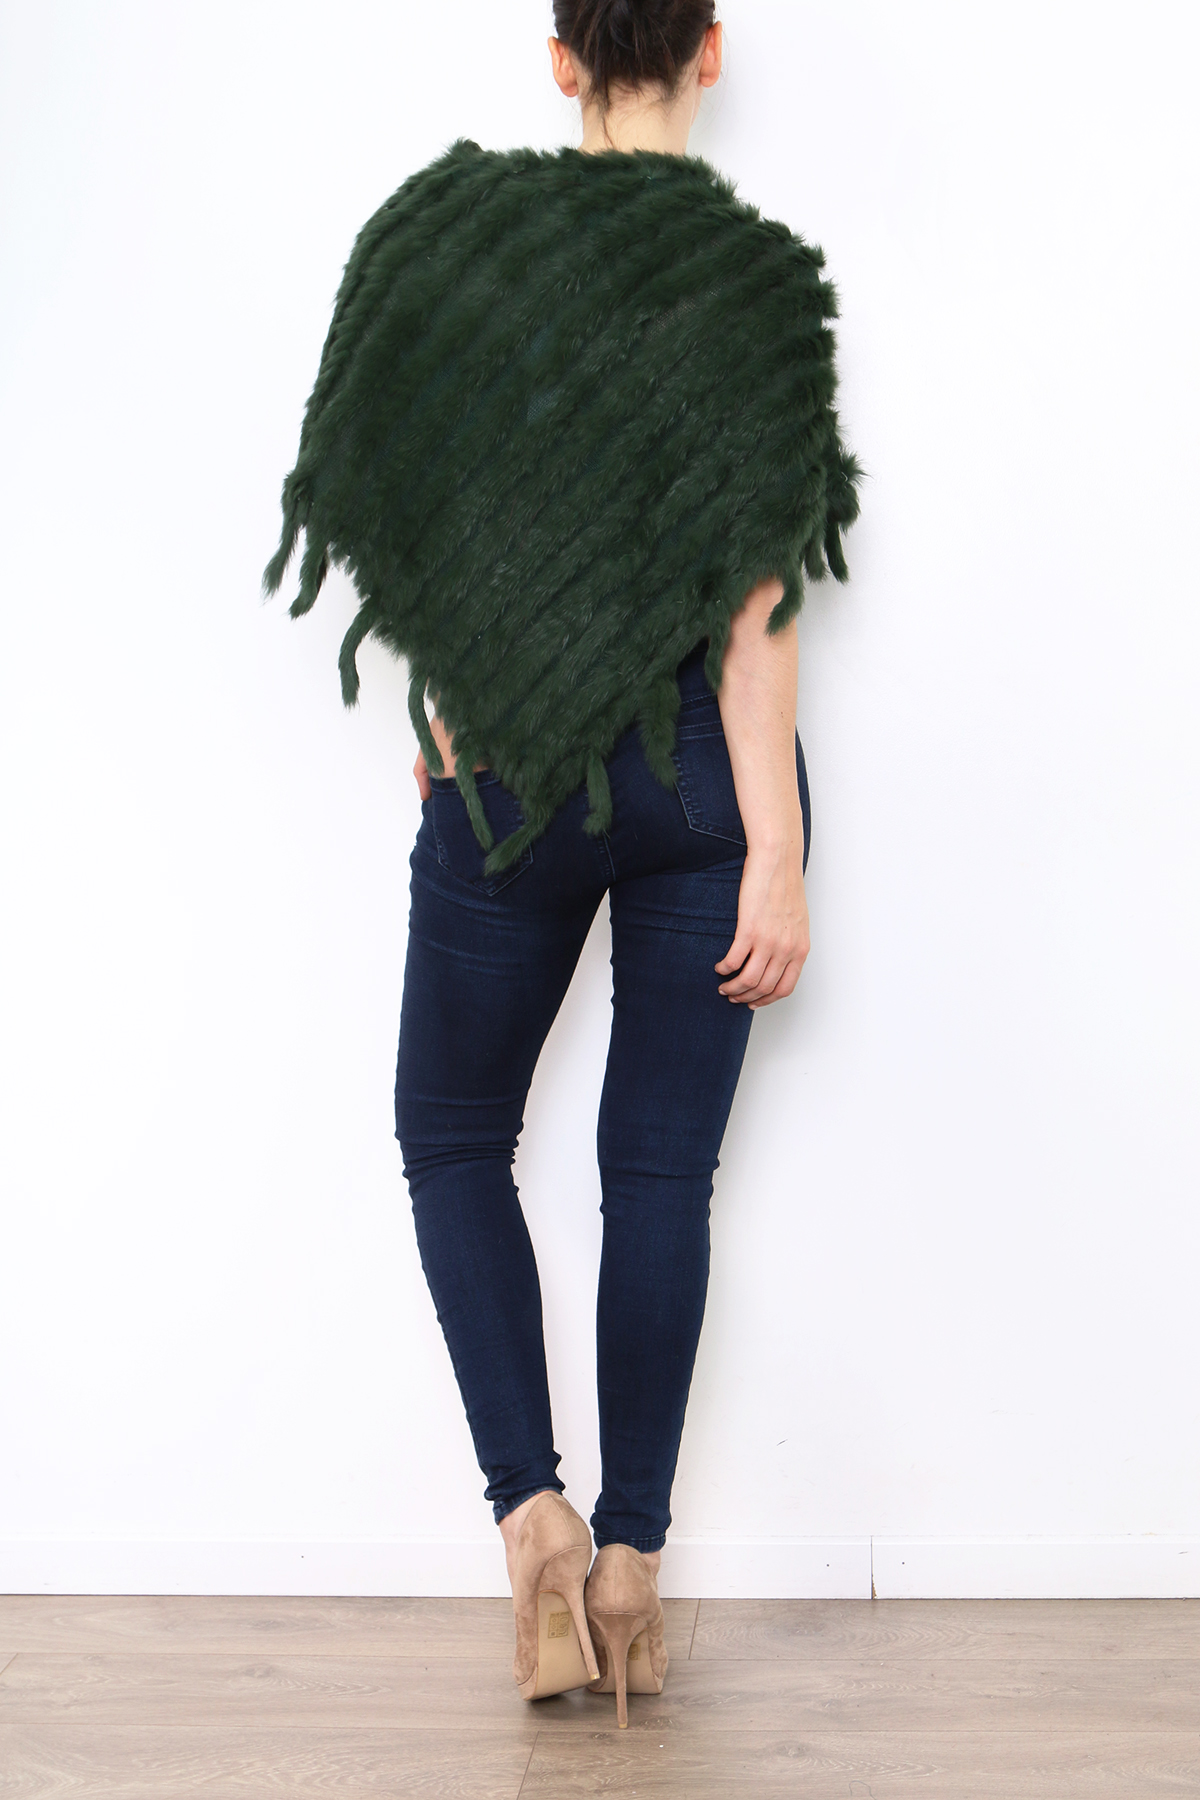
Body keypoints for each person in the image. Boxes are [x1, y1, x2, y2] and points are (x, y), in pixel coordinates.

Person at [266, 0, 858, 1729]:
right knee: (658, 1179)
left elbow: (401, 500)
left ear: (558, 56)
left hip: (509, 773)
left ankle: (533, 1524)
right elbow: (757, 604)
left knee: (454, 1134)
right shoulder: (751, 288)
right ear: (711, 50)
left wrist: (461, 692)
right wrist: (775, 846)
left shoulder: (457, 243)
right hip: (695, 778)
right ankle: (634, 1572)